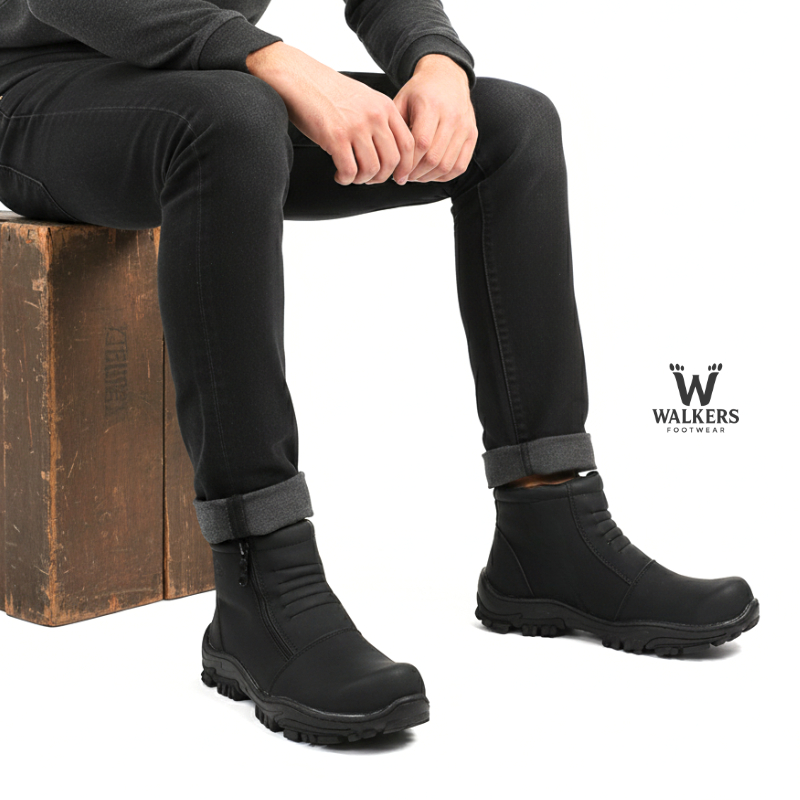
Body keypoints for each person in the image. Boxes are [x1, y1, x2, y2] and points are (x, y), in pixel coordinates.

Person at [0, 0, 759, 745]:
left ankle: (552, 525)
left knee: (513, 125)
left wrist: (435, 62)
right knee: (230, 117)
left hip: (211, 79)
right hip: (37, 95)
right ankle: (261, 582)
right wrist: (274, 59)